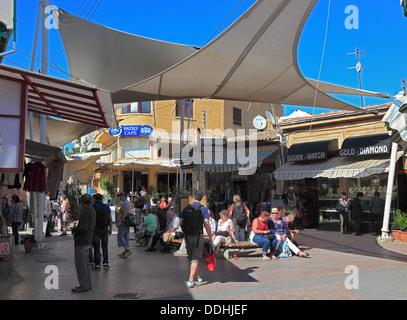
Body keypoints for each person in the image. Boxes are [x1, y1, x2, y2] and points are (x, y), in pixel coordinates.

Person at [180, 190, 213, 288]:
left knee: (193, 257)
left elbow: (181, 222)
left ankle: (198, 276)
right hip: (198, 236)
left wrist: (185, 232)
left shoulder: (186, 208)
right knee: (195, 257)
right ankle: (190, 280)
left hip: (187, 236)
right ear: (202, 198)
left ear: (192, 198)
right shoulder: (203, 209)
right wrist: (210, 238)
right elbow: (206, 223)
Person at [71, 194, 96, 293]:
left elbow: (83, 228)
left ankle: (84, 285)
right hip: (88, 240)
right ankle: (88, 283)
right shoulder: (92, 210)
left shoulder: (86, 212)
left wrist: (74, 229)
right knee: (85, 264)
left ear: (82, 202)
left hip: (82, 241)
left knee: (81, 264)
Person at [91, 193, 113, 270]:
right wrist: (110, 228)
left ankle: (97, 264)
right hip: (104, 228)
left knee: (96, 247)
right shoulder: (106, 207)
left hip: (95, 229)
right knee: (105, 246)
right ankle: (106, 262)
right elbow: (110, 218)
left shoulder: (92, 207)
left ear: (95, 199)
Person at [116, 192, 132, 258]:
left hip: (124, 221)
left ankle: (127, 249)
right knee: (125, 235)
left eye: (121, 196)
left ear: (124, 196)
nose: (120, 197)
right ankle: (126, 250)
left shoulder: (125, 202)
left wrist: (120, 221)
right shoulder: (125, 203)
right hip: (126, 221)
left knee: (121, 235)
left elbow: (125, 213)